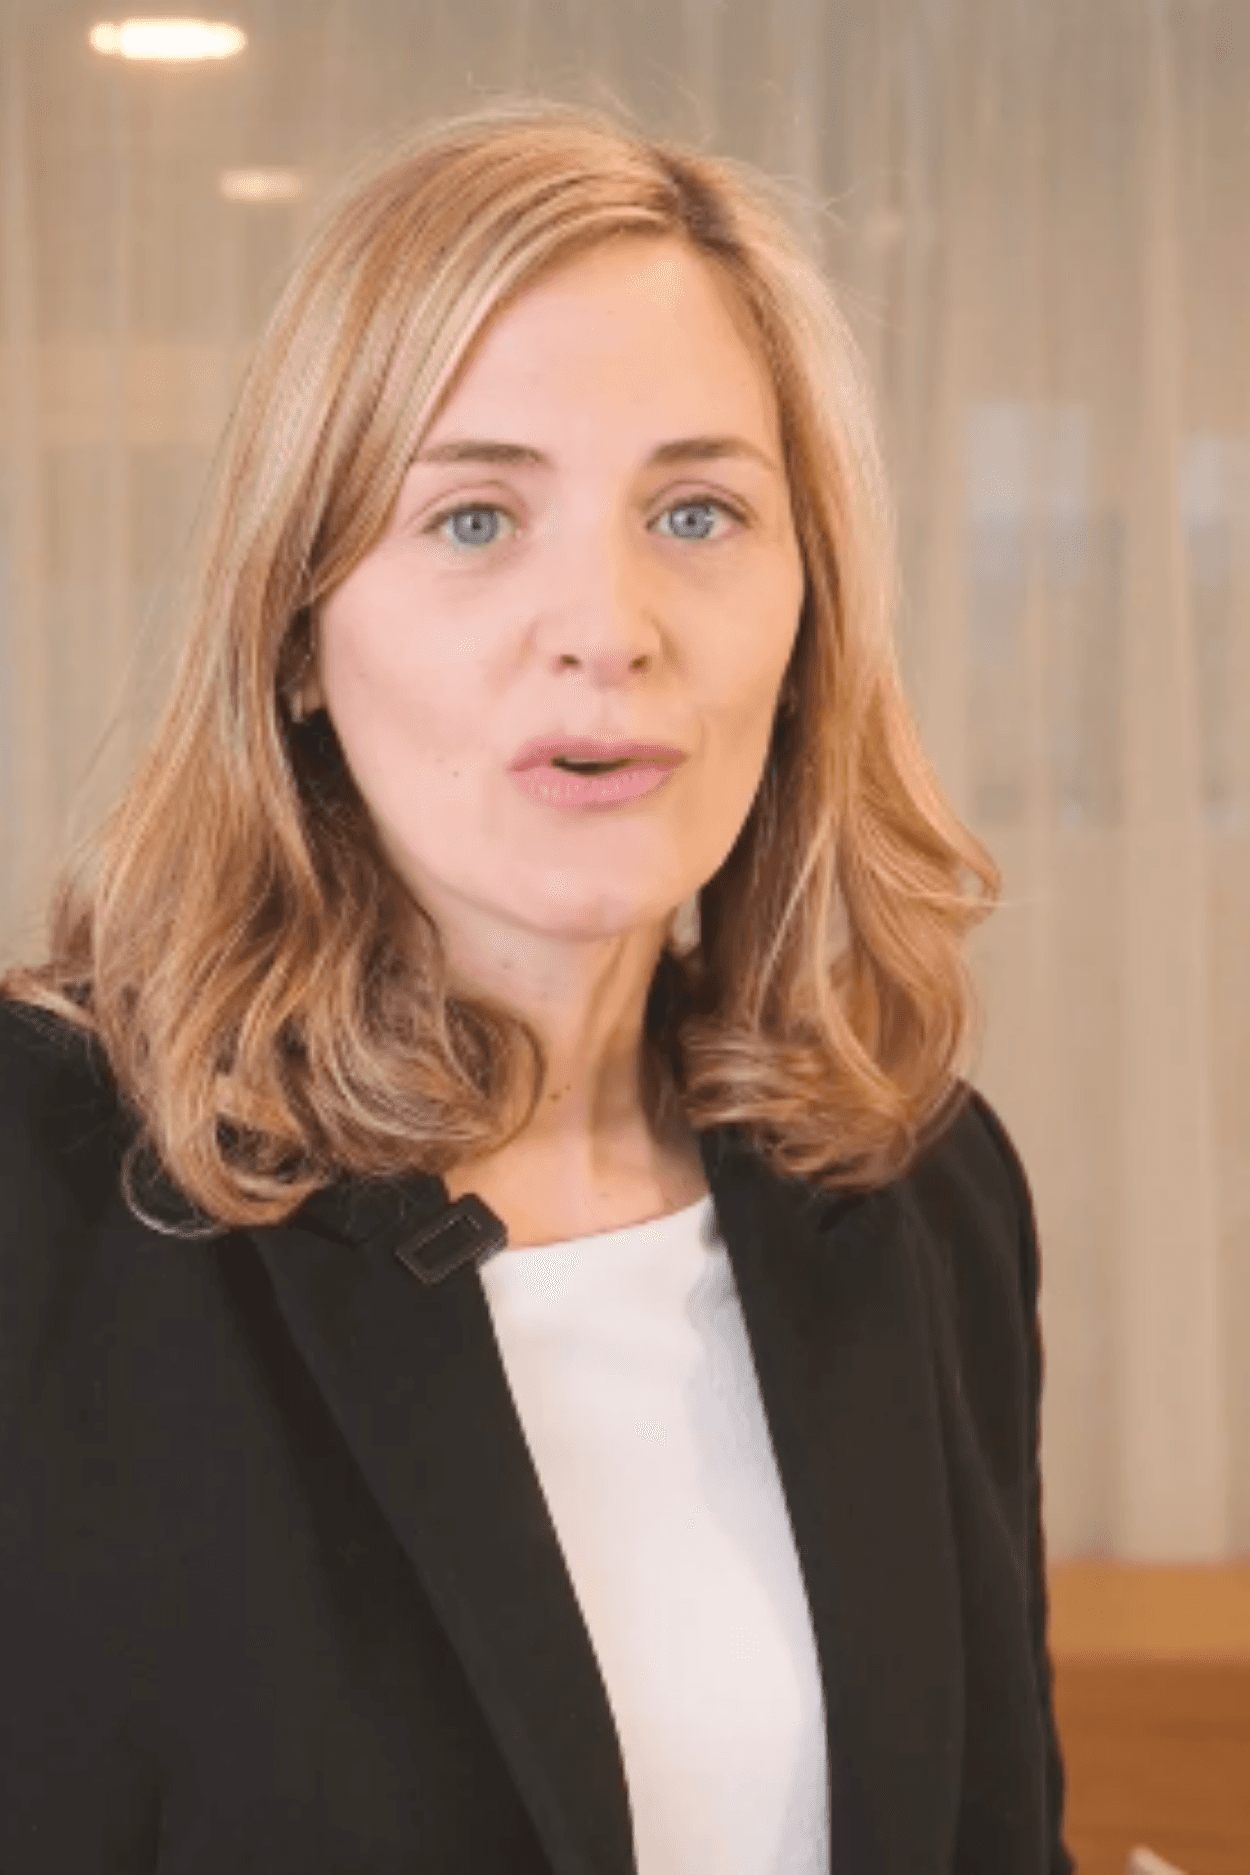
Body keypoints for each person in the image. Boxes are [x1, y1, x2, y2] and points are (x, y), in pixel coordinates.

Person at [0, 97, 1076, 1874]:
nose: (608, 621)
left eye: (699, 510)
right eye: (478, 519)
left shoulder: (914, 1192)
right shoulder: (47, 1184)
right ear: (294, 634)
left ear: (809, 615)